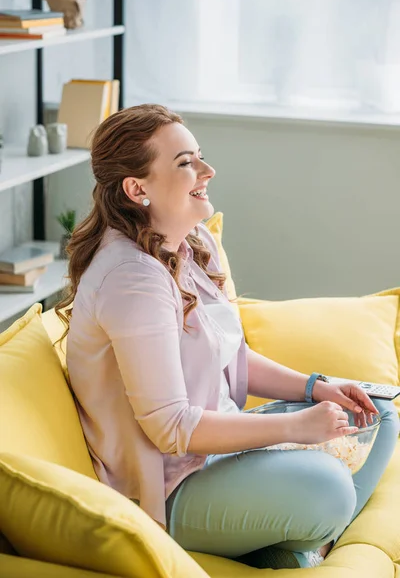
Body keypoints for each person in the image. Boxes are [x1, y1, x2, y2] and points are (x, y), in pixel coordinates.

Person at [57, 104, 399, 570]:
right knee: (332, 487)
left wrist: (315, 387)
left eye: (199, 155)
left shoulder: (192, 242)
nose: (207, 170)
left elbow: (232, 356)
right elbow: (171, 427)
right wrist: (296, 428)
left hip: (220, 448)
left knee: (376, 411)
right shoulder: (131, 279)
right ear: (137, 189)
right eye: (184, 163)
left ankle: (289, 541)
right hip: (170, 488)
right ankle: (298, 542)